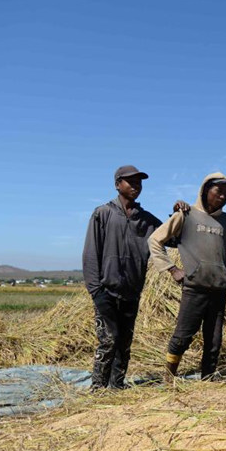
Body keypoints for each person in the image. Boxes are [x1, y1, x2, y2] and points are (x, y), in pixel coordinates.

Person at [149, 172, 226, 381]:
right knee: (183, 336)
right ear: (205, 190)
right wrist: (172, 269)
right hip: (194, 288)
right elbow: (155, 240)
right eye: (218, 191)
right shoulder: (186, 214)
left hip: (219, 290)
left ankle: (208, 379)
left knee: (214, 340)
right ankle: (168, 378)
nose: (222, 196)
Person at [82, 165, 162, 390]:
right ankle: (98, 388)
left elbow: (170, 237)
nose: (136, 186)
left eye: (139, 182)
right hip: (106, 290)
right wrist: (96, 291)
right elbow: (90, 253)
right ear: (118, 184)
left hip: (132, 291)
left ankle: (117, 386)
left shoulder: (146, 219)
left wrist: (180, 214)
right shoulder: (103, 213)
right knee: (108, 340)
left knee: (124, 341)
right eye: (130, 181)